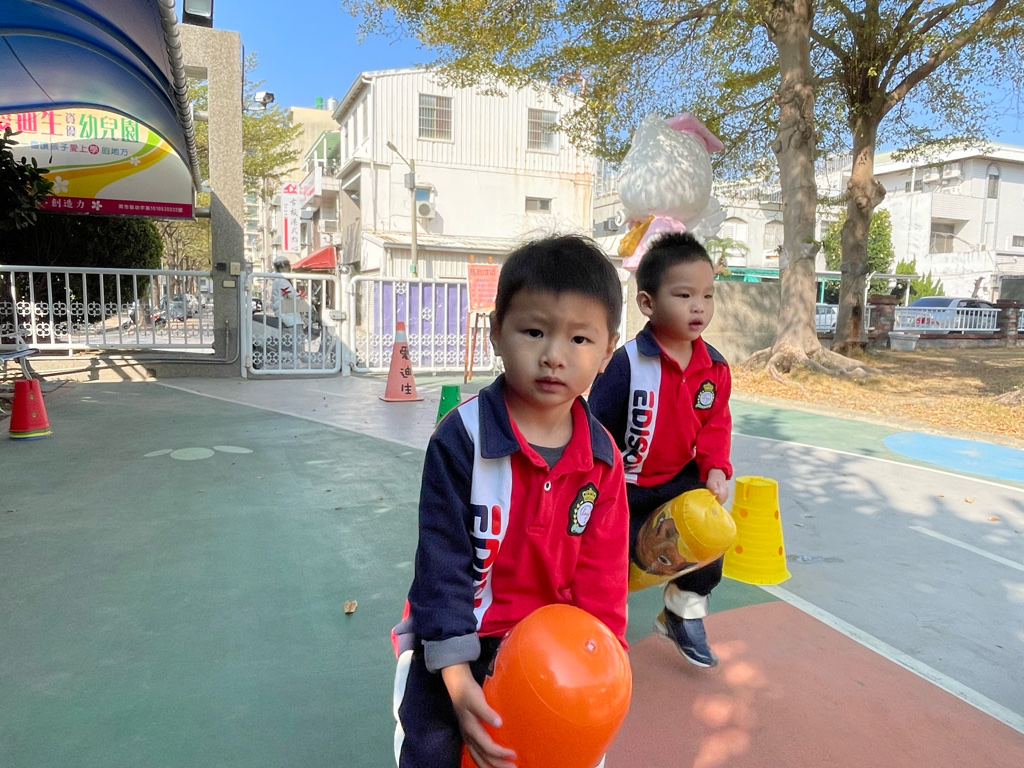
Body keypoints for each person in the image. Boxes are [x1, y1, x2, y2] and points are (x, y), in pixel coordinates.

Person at [392, 235, 629, 768]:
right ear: (497, 331)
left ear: (607, 352)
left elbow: (603, 581)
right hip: (462, 636)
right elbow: (442, 567)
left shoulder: (604, 460)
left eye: (580, 338)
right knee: (434, 748)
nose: (553, 356)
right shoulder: (461, 439)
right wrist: (456, 678)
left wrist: (603, 664)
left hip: (551, 653)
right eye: (534, 331)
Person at [588, 231, 732, 669]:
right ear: (648, 303)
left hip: (679, 480)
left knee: (710, 539)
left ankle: (682, 612)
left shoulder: (715, 367)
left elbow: (716, 423)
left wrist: (716, 469)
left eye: (707, 295)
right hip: (624, 486)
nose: (698, 307)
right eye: (684, 295)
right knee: (613, 562)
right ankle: (596, 629)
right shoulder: (626, 364)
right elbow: (595, 427)